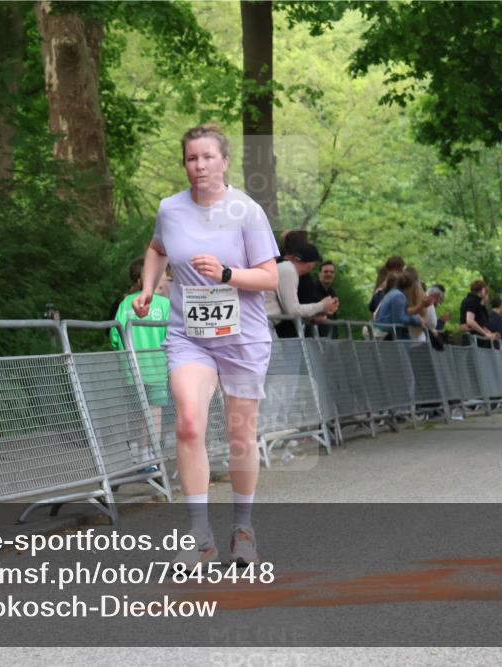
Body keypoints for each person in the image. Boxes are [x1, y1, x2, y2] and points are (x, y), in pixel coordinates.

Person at [133, 122, 280, 568]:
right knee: (189, 424)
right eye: (191, 158)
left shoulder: (246, 211)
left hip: (241, 337)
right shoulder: (170, 209)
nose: (199, 166)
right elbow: (157, 248)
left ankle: (242, 528)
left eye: (207, 157)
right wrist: (147, 286)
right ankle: (199, 535)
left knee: (240, 435)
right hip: (189, 336)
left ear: (225, 161)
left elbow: (270, 278)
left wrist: (226, 274)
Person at [111, 259, 172, 471]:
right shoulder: (164, 304)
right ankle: (153, 455)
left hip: (130, 369)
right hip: (157, 369)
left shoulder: (125, 303)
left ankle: (139, 453)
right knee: (155, 412)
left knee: (137, 412)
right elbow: (170, 336)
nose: (167, 279)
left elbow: (114, 337)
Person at [265, 242, 338, 338]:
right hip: (261, 325)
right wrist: (322, 305)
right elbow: (293, 311)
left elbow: (288, 311)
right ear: (310, 264)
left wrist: (310, 318)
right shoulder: (288, 271)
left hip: (264, 324)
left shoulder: (287, 269)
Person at [374, 271, 423, 341]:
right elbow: (398, 320)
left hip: (387, 331)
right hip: (388, 335)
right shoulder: (398, 296)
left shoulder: (393, 292)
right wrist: (416, 320)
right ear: (410, 285)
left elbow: (401, 314)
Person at [459, 280, 497, 344]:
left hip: (474, 340)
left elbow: (479, 323)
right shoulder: (473, 301)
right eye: (485, 290)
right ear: (482, 290)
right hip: (473, 341)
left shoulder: (474, 301)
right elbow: (470, 321)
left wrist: (490, 334)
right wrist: (486, 334)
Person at [312, 261, 339, 338]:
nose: (329, 274)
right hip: (312, 336)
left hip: (328, 337)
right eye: (326, 271)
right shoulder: (311, 289)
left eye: (331, 272)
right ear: (319, 274)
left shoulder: (332, 292)